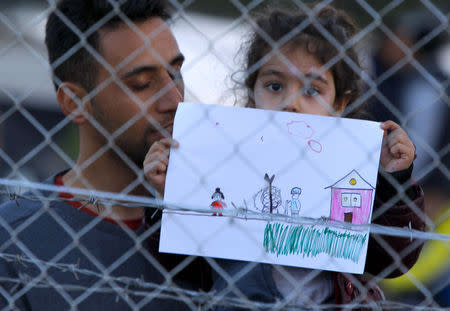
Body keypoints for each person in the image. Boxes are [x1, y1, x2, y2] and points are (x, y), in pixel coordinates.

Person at [145, 5, 426, 310]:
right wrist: (170, 197)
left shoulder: (356, 170)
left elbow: (394, 260)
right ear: (252, 96)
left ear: (339, 104)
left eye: (311, 89)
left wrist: (393, 182)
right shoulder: (220, 167)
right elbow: (178, 268)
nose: (290, 103)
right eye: (274, 86)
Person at [0, 0, 207, 310]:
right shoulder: (13, 242)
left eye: (175, 73)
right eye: (142, 84)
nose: (175, 99)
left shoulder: (217, 226)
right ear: (75, 102)